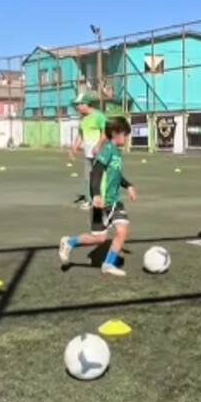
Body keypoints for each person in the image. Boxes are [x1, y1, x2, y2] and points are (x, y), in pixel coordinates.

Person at [59, 116, 136, 277]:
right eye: (125, 134)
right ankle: (69, 242)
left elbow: (116, 175)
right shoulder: (107, 149)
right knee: (99, 239)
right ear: (115, 133)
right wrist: (96, 195)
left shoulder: (117, 152)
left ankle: (108, 265)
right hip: (100, 203)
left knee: (122, 230)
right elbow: (96, 172)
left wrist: (128, 185)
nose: (127, 138)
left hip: (114, 202)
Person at [71, 94, 107, 210]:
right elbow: (81, 134)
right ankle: (89, 200)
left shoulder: (99, 116)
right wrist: (74, 147)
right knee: (88, 177)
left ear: (86, 104)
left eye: (79, 105)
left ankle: (102, 200)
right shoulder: (83, 119)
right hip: (88, 154)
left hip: (100, 153)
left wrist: (98, 145)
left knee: (100, 177)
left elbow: (105, 133)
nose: (77, 107)